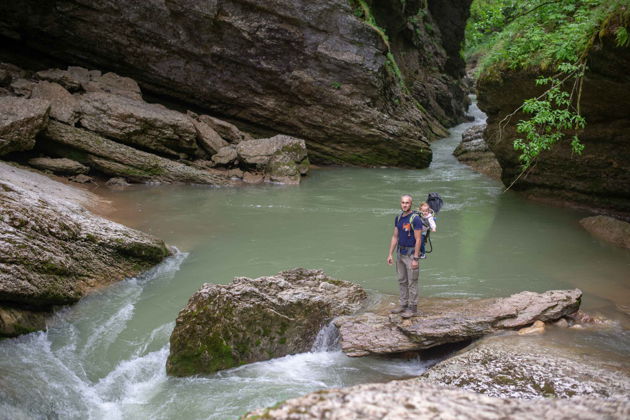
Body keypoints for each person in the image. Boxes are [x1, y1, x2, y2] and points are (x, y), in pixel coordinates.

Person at [387, 194, 422, 318]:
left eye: (407, 203)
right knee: (402, 280)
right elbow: (395, 236)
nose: (404, 205)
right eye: (403, 202)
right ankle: (403, 304)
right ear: (400, 203)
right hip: (400, 254)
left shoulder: (415, 218)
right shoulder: (399, 217)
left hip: (411, 255)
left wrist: (416, 258)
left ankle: (413, 308)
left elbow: (418, 240)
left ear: (410, 204)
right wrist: (390, 254)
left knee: (412, 282)